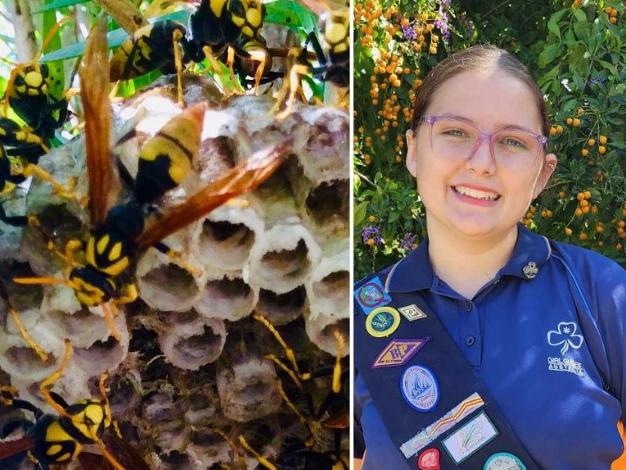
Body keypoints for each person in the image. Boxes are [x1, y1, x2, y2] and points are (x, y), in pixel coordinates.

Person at [353, 44, 626, 470]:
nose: (482, 163)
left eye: (512, 141)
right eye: (455, 132)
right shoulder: (357, 316)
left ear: (543, 174)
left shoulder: (602, 293)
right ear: (412, 149)